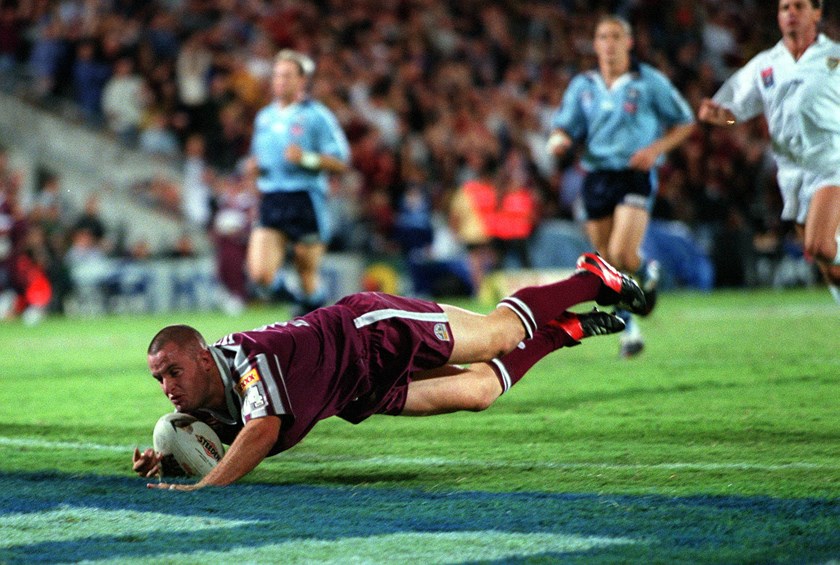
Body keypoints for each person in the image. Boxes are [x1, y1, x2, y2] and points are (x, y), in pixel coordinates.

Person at [133, 252, 647, 490]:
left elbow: (262, 429)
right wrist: (173, 460)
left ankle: (588, 279)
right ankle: (564, 332)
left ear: (203, 357)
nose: (167, 387)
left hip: (371, 330)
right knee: (479, 392)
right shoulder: (206, 395)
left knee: (497, 335)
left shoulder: (248, 360)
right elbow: (224, 439)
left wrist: (206, 486)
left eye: (173, 372)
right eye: (159, 379)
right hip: (358, 389)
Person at [547, 15, 695, 358]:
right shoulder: (583, 85)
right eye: (602, 37)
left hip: (634, 174)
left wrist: (655, 150)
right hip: (596, 177)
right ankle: (631, 326)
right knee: (608, 264)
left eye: (616, 36)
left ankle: (642, 270)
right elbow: (564, 126)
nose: (609, 43)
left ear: (628, 42)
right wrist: (558, 140)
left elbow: (684, 121)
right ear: (595, 44)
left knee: (621, 254)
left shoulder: (649, 82)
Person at [698, 0, 840, 305]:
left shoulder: (835, 57)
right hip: (791, 174)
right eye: (784, 7)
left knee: (821, 247)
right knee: (831, 270)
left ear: (817, 12)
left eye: (799, 6)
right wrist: (721, 116)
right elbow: (735, 112)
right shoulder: (766, 63)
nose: (790, 13)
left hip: (832, 163)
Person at [244, 49, 351, 314]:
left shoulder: (317, 116)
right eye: (277, 75)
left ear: (302, 81)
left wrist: (307, 159)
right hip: (272, 198)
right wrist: (254, 169)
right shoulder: (264, 117)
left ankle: (314, 317)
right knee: (260, 275)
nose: (279, 81)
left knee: (307, 272)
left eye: (287, 76)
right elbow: (259, 159)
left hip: (305, 198)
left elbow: (340, 161)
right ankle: (298, 302)